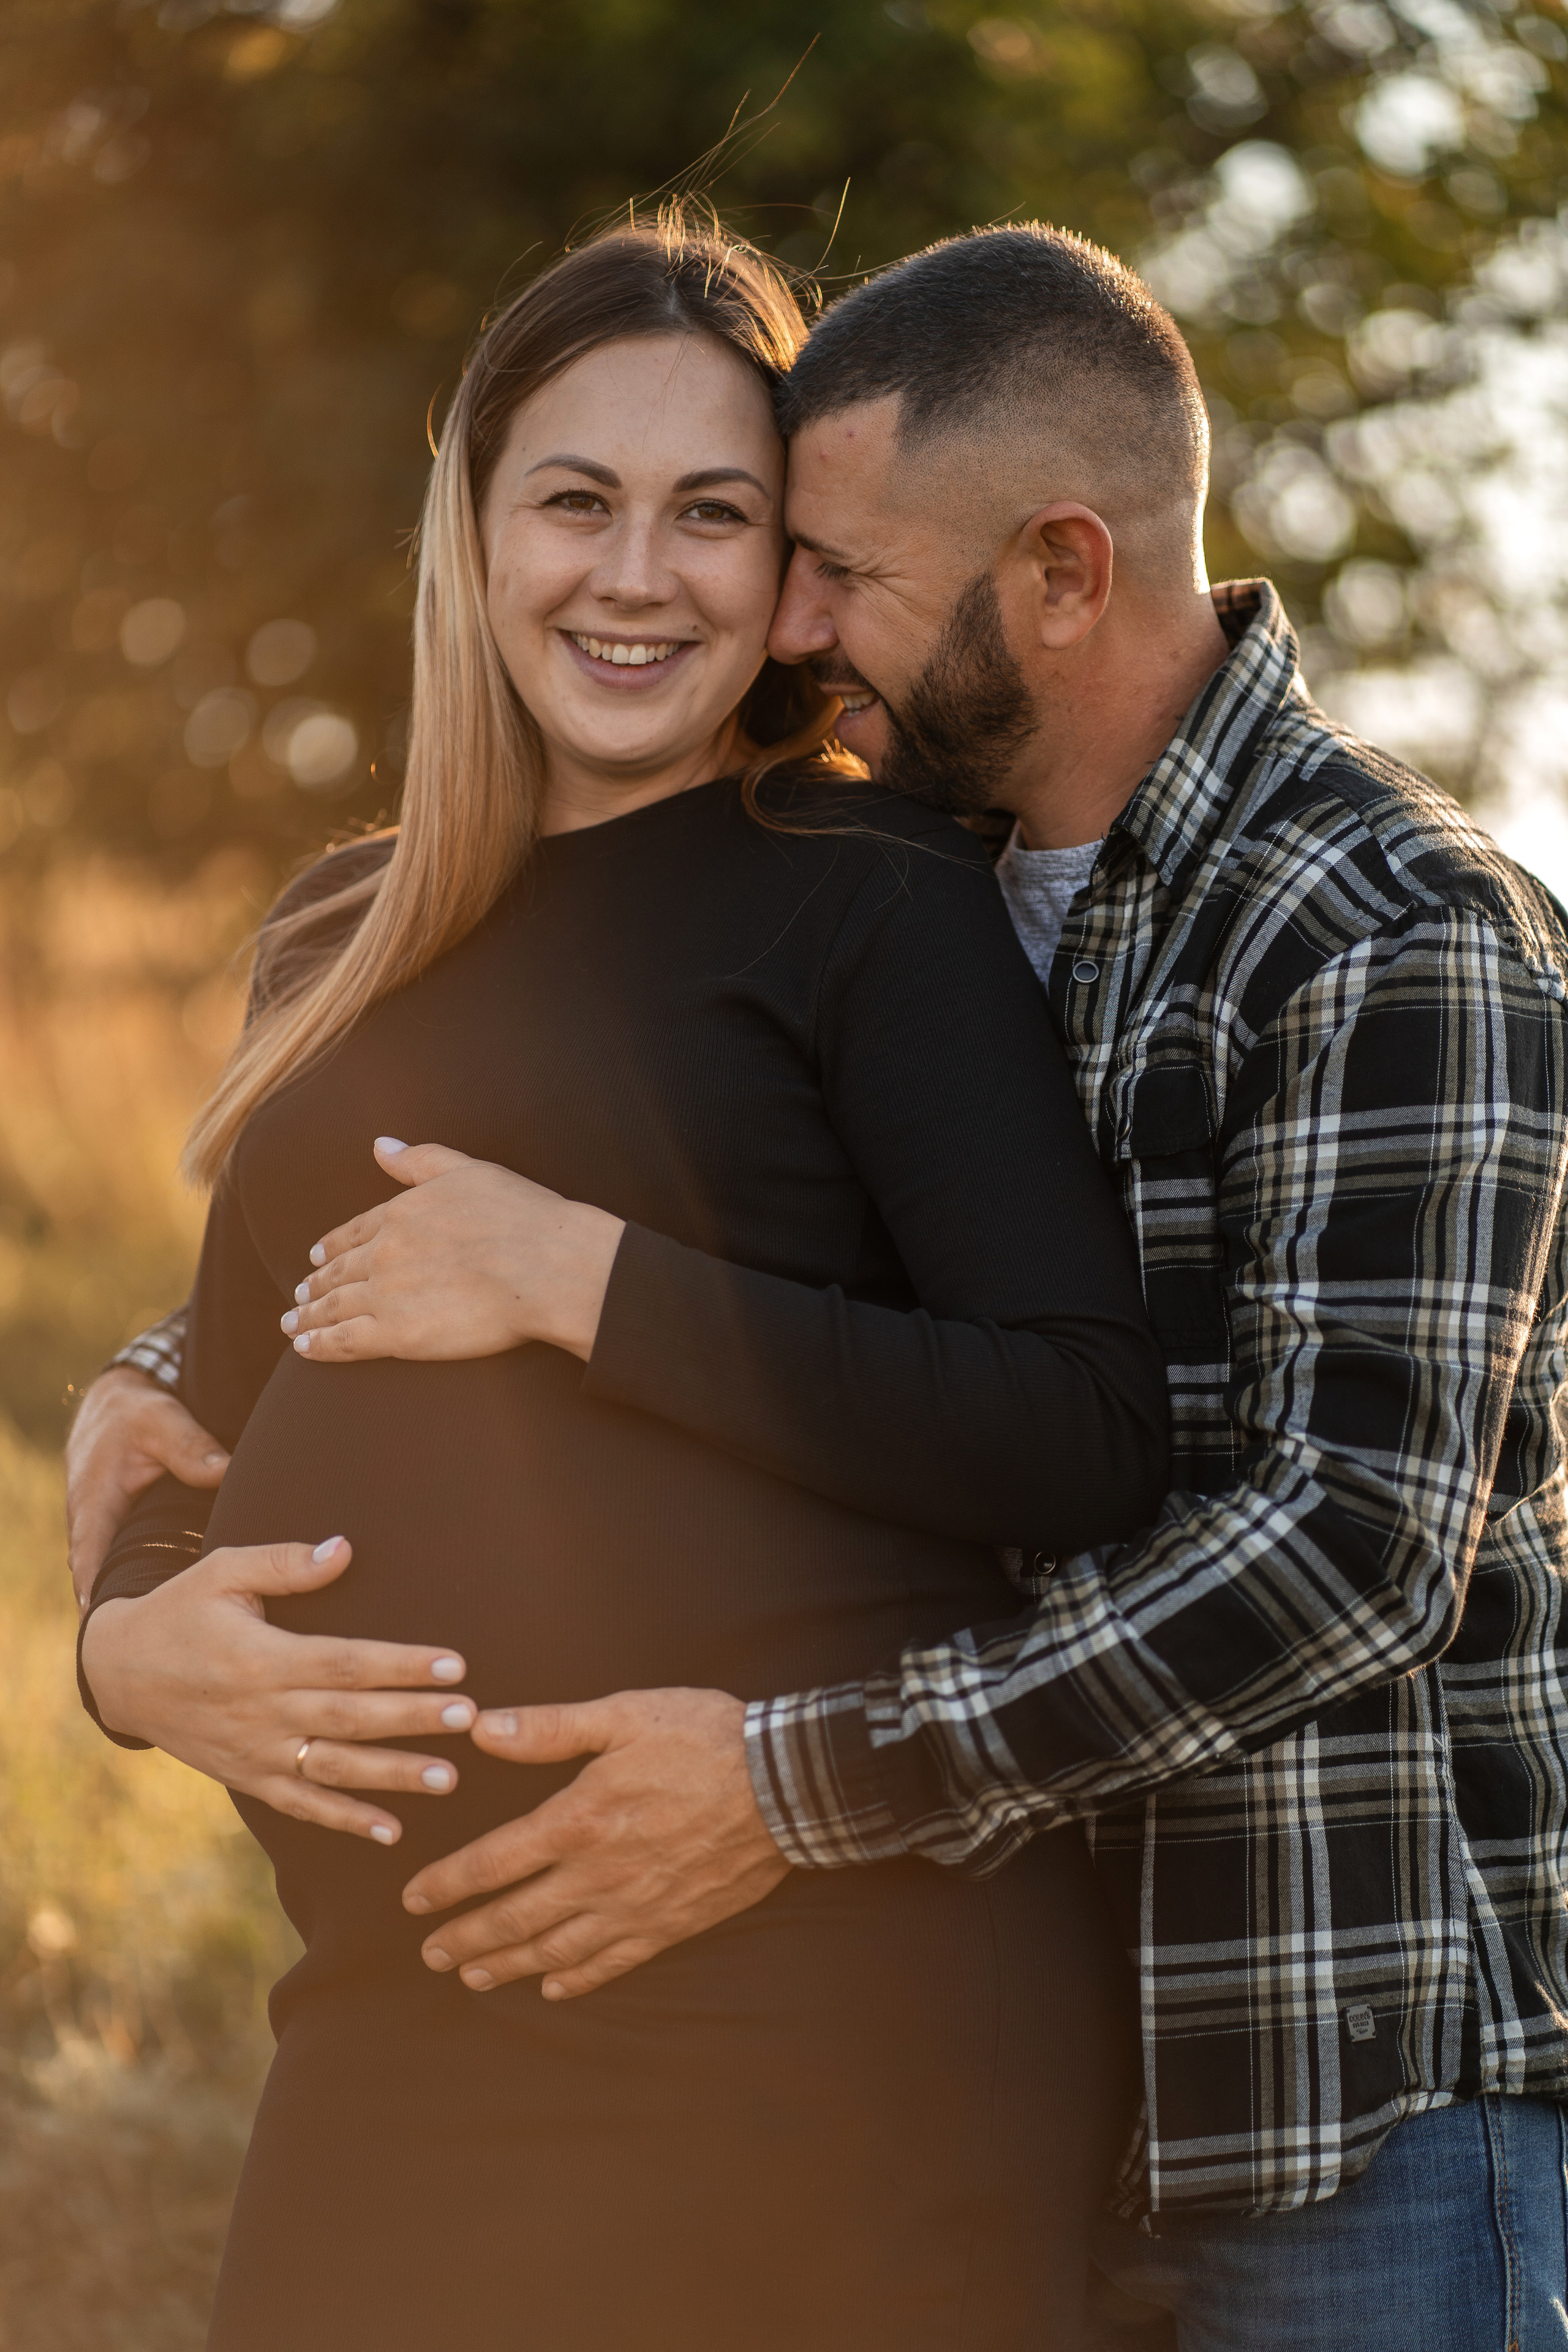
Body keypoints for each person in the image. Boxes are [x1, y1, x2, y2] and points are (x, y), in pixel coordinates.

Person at [75, 221, 1568, 2349]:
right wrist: (123, 1619)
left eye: (788, 548)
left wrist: (788, 1767)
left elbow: (1322, 1533)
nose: (752, 608)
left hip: (1302, 2066)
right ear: (470, 525)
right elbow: (329, 1329)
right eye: (578, 501)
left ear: (1056, 571)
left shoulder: (1352, 922)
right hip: (505, 2037)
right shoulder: (1009, 879)